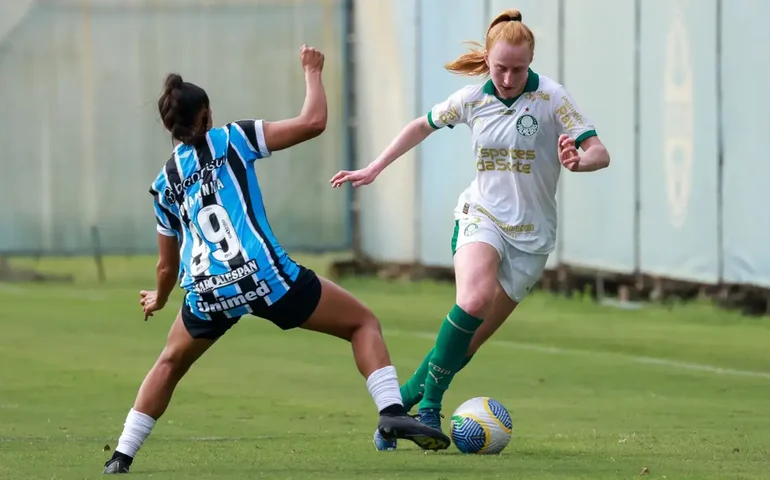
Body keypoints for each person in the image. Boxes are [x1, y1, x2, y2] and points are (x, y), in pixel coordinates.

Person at [102, 44, 450, 474]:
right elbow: (313, 122)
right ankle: (392, 412)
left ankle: (121, 456)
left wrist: (158, 297)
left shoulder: (164, 184)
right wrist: (312, 71)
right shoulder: (231, 138)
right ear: (207, 115)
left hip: (207, 290)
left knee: (169, 362)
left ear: (168, 125)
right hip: (264, 275)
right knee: (362, 323)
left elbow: (166, 266)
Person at [330, 9, 611, 451]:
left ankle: (397, 411)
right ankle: (429, 410)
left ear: (531, 61)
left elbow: (599, 151)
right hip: (481, 215)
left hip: (532, 238)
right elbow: (420, 126)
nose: (508, 78)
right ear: (488, 59)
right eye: (500, 68)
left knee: (466, 344)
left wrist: (580, 161)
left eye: (518, 69)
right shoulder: (471, 98)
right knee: (473, 300)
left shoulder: (552, 98)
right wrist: (374, 167)